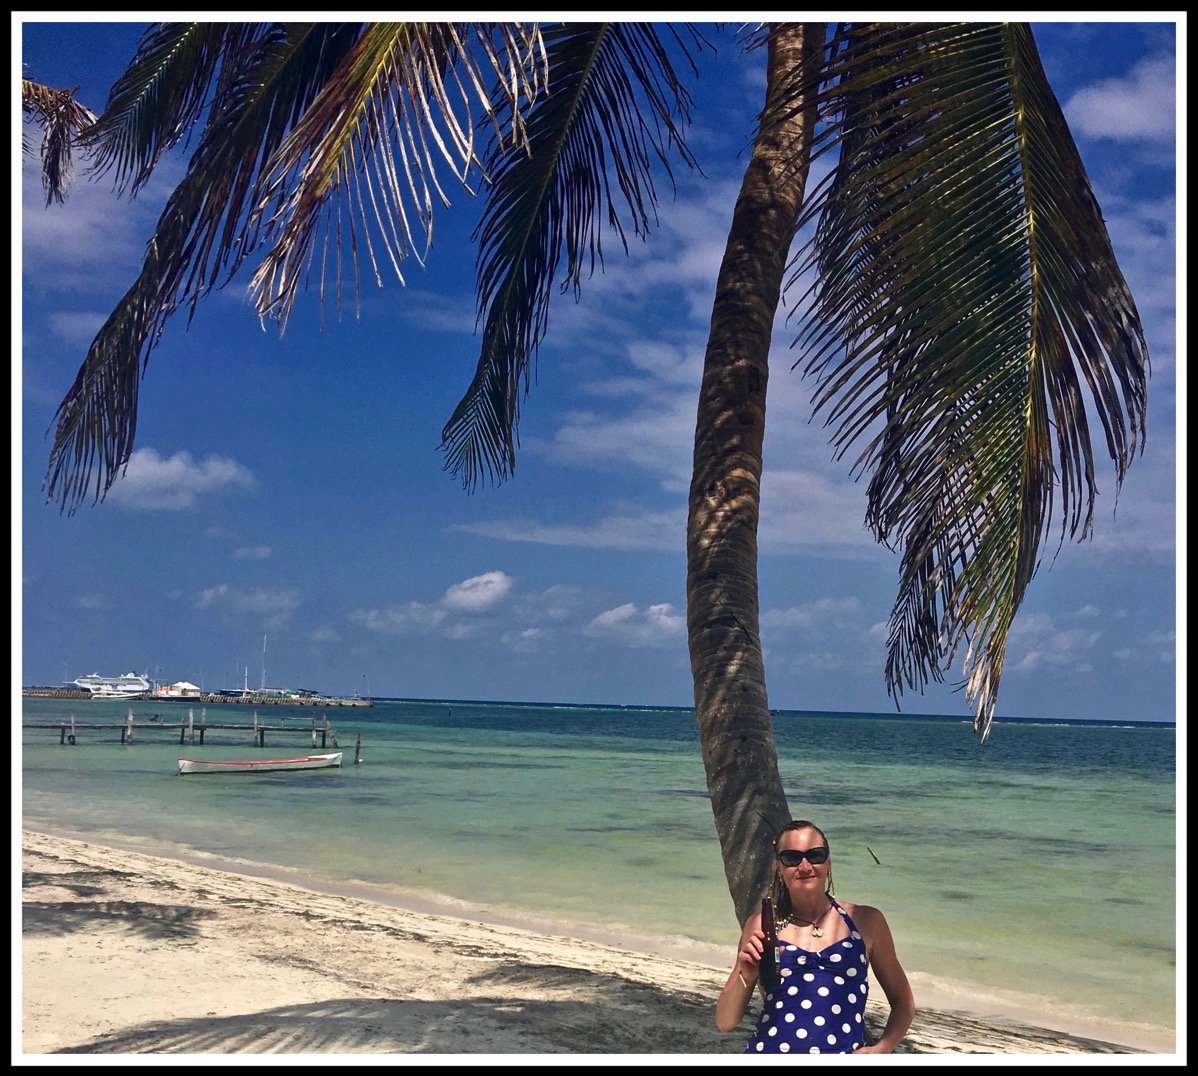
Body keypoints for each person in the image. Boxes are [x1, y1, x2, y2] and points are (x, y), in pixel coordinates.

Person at [715, 819, 915, 1054]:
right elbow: (725, 1022)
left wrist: (883, 1048)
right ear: (779, 867)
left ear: (828, 863)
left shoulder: (866, 921)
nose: (805, 866)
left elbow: (904, 1002)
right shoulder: (762, 925)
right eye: (792, 858)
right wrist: (745, 972)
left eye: (815, 855)